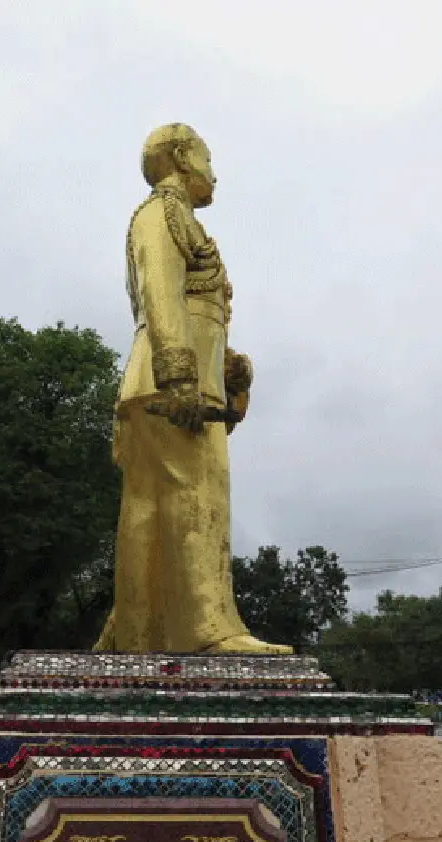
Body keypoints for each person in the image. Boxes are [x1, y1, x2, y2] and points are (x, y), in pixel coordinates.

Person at [93, 124, 292, 655]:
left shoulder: (180, 222)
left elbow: (199, 312)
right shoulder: (159, 215)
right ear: (183, 156)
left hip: (177, 383)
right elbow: (160, 294)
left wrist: (229, 371)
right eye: (208, 158)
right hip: (170, 385)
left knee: (152, 509)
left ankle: (136, 638)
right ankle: (208, 632)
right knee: (195, 499)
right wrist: (180, 375)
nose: (214, 172)